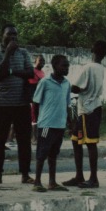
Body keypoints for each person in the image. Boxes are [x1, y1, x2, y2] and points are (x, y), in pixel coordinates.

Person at [0, 22, 37, 184]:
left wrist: (12, 72)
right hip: (2, 104)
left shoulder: (23, 53)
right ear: (2, 35)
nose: (13, 37)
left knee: (24, 141)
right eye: (9, 34)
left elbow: (30, 72)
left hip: (22, 103)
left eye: (15, 34)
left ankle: (25, 174)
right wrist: (8, 54)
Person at [64, 38, 106, 188]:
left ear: (92, 50)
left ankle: (93, 178)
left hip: (87, 109)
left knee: (90, 143)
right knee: (76, 140)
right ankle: (79, 175)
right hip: (92, 107)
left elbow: (77, 87)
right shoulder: (100, 68)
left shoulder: (88, 67)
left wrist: (70, 87)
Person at [32, 54, 72, 190]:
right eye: (64, 65)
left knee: (53, 154)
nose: (67, 68)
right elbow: (36, 103)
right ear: (55, 66)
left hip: (59, 125)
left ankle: (52, 182)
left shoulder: (67, 84)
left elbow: (67, 104)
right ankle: (37, 181)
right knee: (42, 153)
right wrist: (38, 121)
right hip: (46, 124)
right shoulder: (45, 82)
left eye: (68, 65)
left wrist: (68, 122)